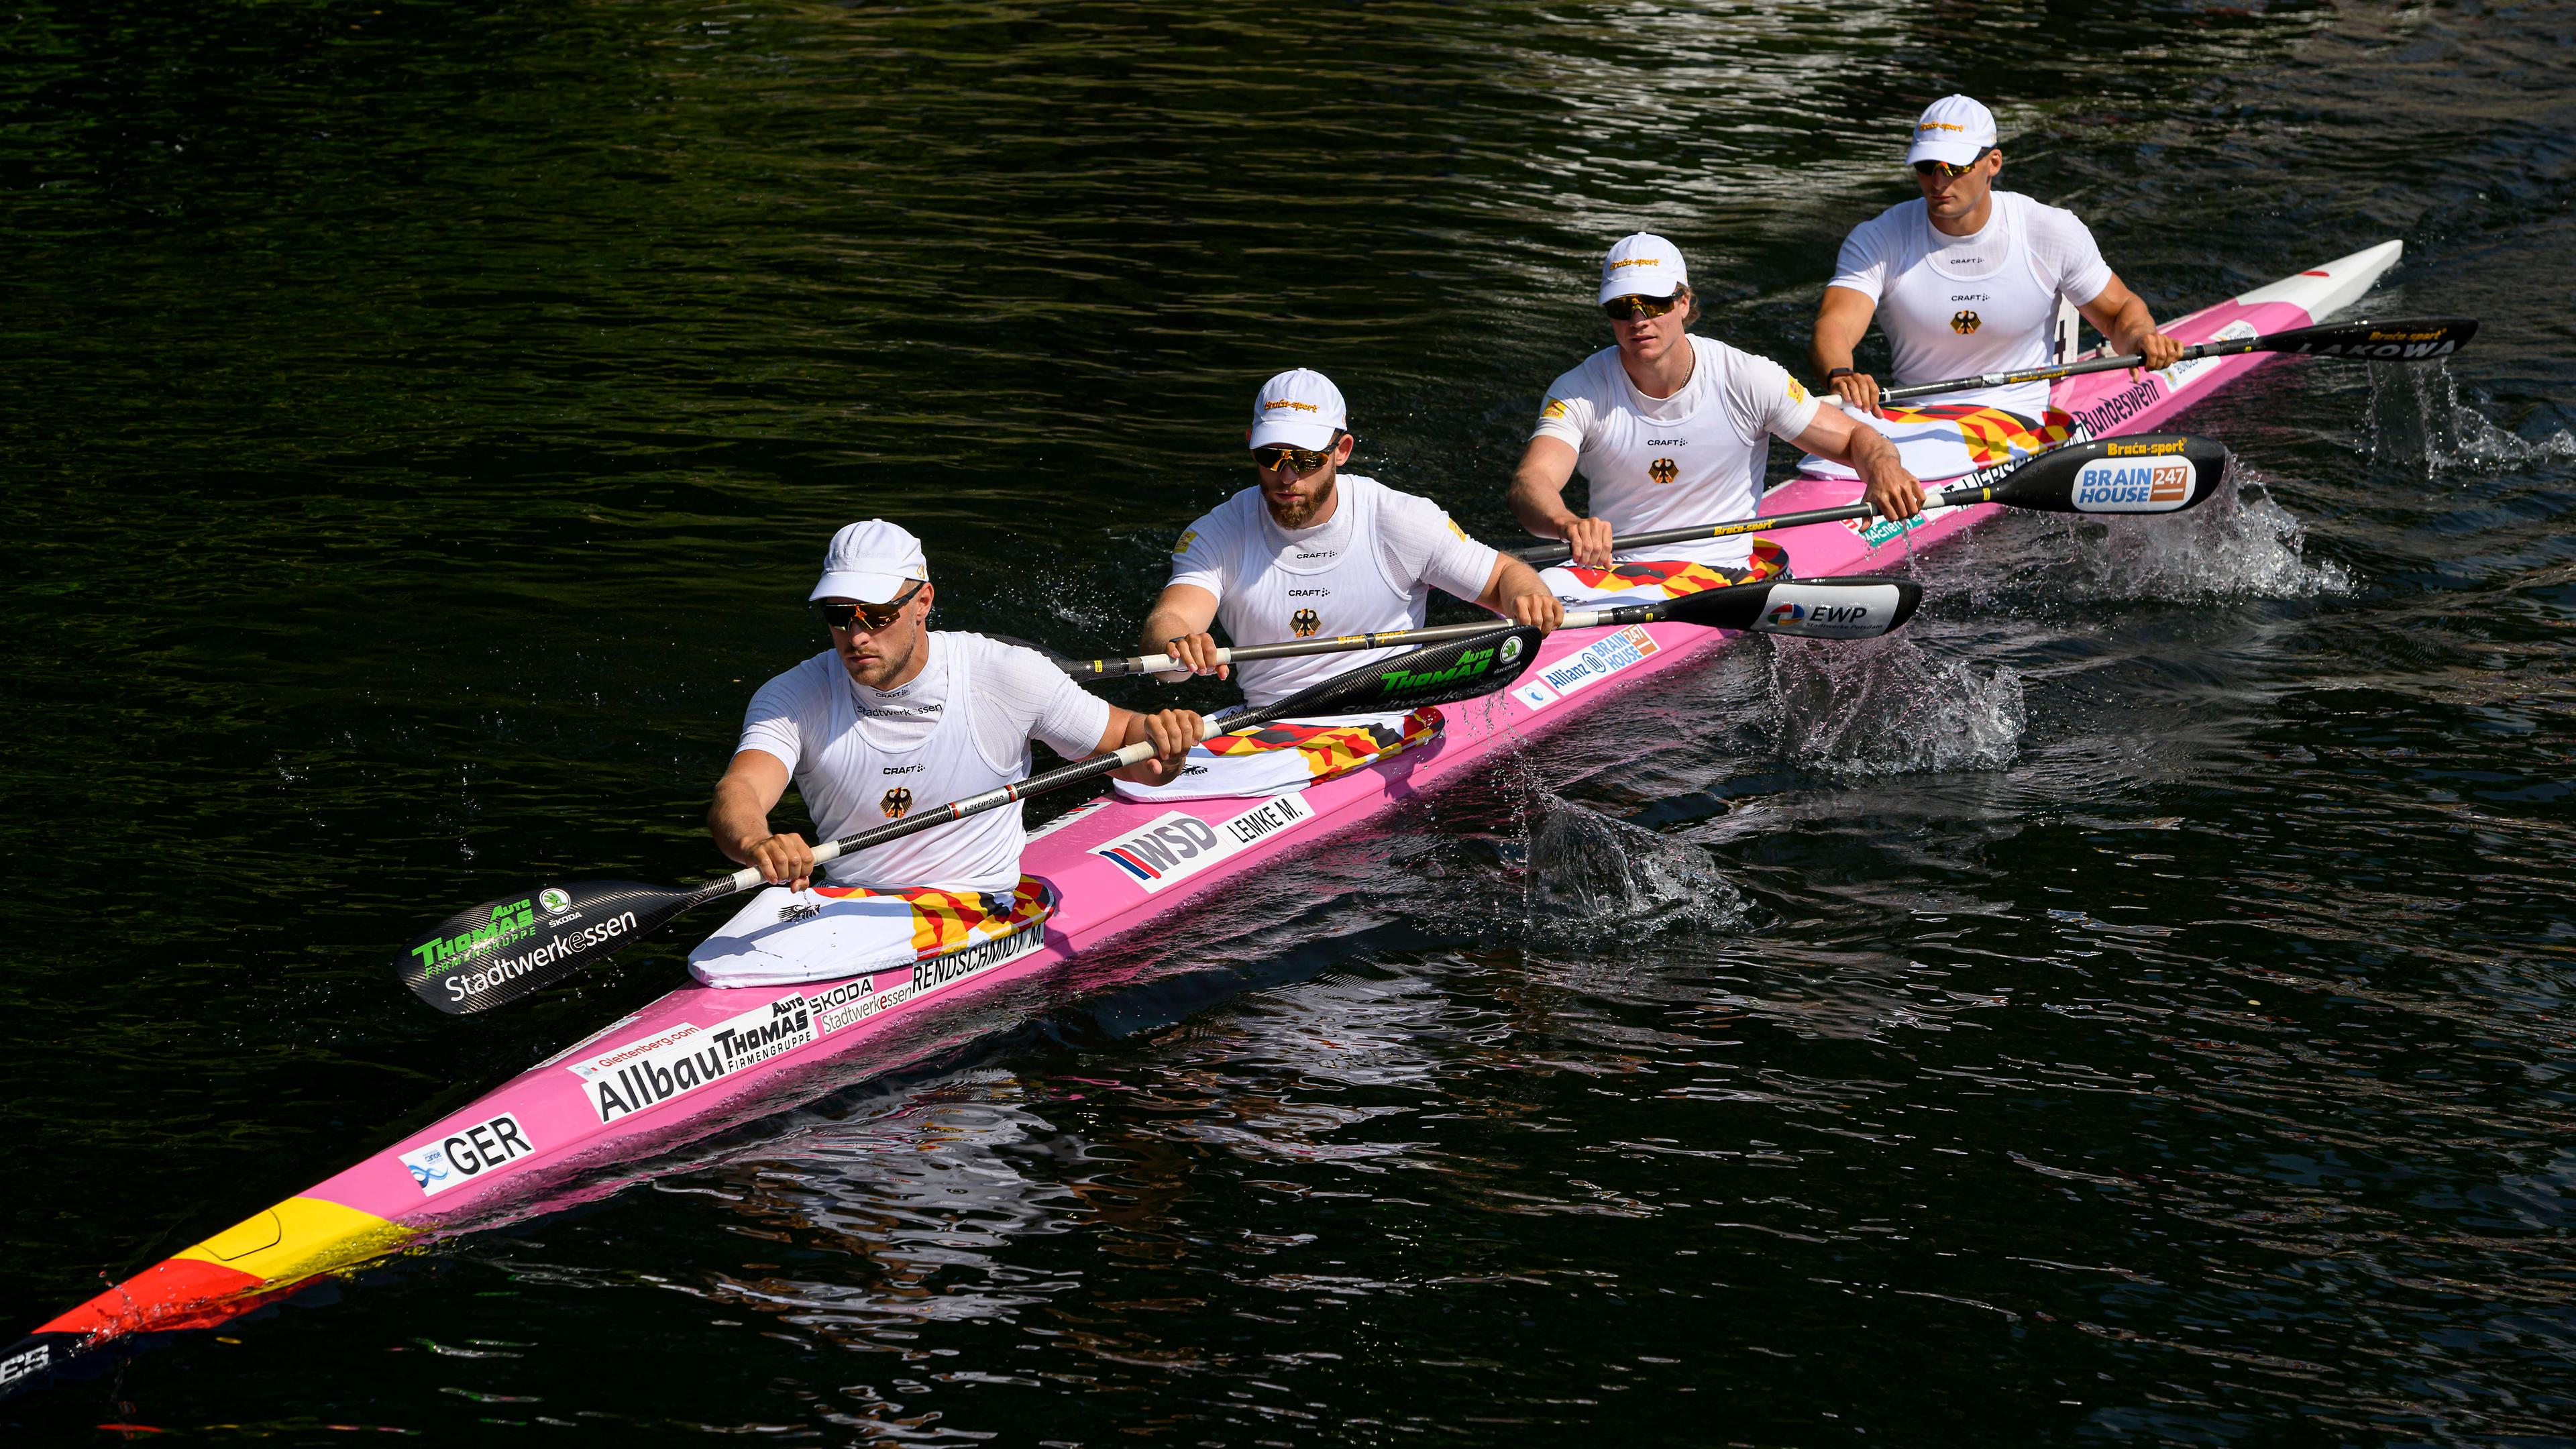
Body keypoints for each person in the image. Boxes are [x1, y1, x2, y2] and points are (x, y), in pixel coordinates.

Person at [708, 519, 1203, 900]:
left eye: (877, 615)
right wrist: (758, 844)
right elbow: (742, 788)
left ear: (923, 601)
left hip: (981, 906)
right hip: (849, 909)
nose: (856, 635)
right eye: (839, 616)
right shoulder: (794, 695)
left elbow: (1138, 754)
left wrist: (1169, 742)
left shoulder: (1005, 675)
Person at [1136, 368, 1563, 800]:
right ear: (1251, 444)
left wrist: (1530, 596)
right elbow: (1170, 619)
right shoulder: (1218, 533)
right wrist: (1178, 645)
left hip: (1392, 715)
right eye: (1272, 457)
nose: (1287, 477)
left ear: (1341, 450)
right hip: (1269, 721)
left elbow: (1505, 575)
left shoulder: (1399, 520)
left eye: (1305, 460)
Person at [1507, 233, 1925, 601]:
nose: (1639, 320)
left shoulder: (1745, 378)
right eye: (1622, 308)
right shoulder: (1578, 390)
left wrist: (1884, 467)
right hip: (1616, 573)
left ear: (1684, 302)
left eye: (1652, 303)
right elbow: (1531, 482)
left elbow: (1857, 439)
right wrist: (1567, 524)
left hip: (1724, 575)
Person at [1806, 95, 2184, 478]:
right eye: (1925, 167)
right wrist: (1841, 374)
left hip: (2023, 416)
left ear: (1994, 164)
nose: (1938, 182)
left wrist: (2141, 338)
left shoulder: (2047, 231)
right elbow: (1834, 324)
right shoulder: (1880, 239)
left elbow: (2120, 313)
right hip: (1912, 418)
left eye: (1954, 167)